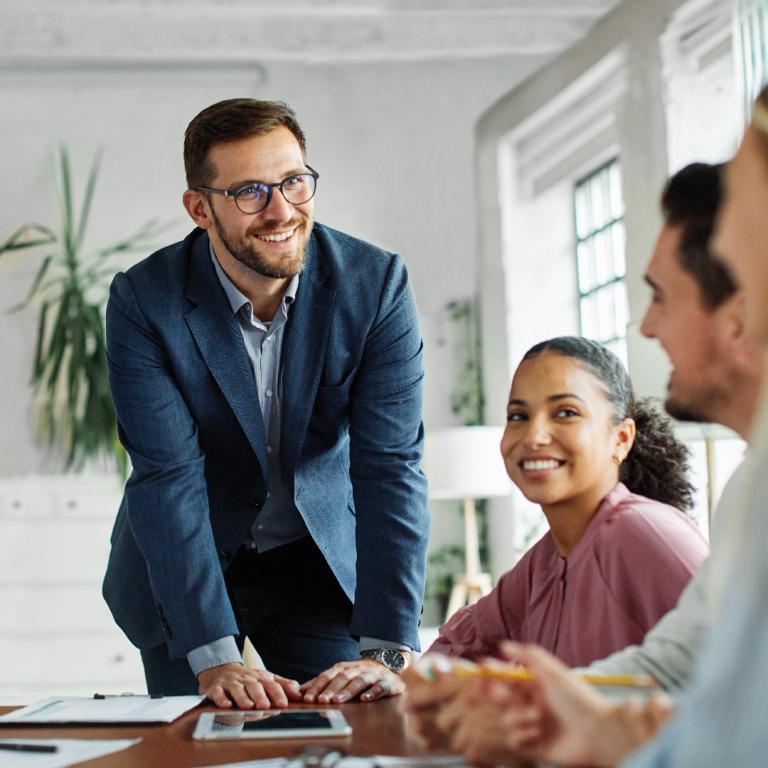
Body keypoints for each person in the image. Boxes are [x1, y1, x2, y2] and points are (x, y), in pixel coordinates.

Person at [427, 93, 768, 766]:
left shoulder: (647, 532)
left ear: (741, 310)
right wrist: (538, 708)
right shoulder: (750, 487)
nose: (646, 326)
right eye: (518, 415)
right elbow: (676, 667)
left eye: (661, 297)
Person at [102, 98, 429, 709]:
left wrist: (387, 649)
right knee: (196, 740)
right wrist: (216, 657)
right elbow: (168, 479)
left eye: (294, 182)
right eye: (250, 191)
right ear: (200, 208)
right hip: (187, 567)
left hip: (312, 563)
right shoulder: (146, 301)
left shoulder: (376, 285)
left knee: (358, 728)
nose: (281, 211)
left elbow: (390, 468)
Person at [428, 335, 707, 668]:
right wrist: (396, 676)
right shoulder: (544, 561)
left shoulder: (644, 533)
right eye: (518, 416)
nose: (533, 436)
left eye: (565, 412)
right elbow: (458, 646)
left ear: (621, 439)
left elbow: (744, 665)